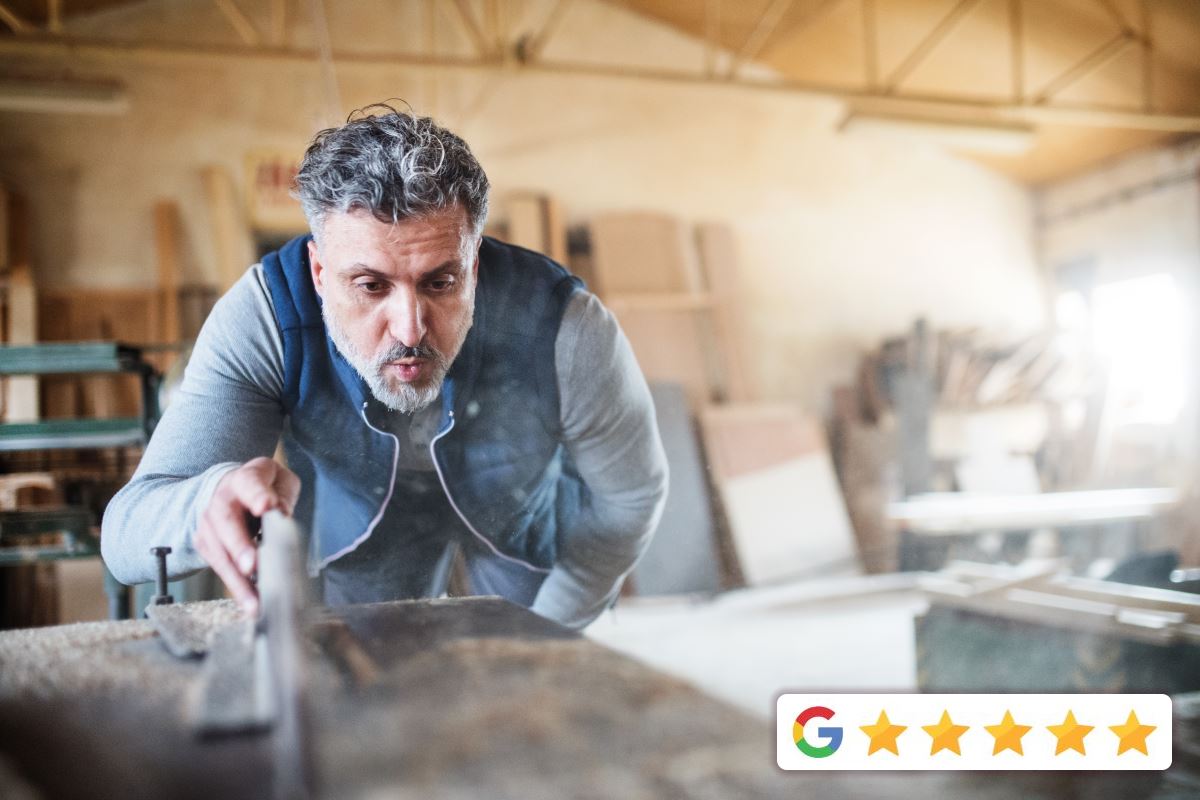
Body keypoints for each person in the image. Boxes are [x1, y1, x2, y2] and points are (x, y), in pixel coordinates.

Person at [101, 105, 668, 629]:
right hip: (359, 527)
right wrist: (205, 500)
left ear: (474, 267)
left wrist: (554, 631)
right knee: (367, 657)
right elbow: (125, 537)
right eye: (371, 286)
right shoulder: (266, 317)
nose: (410, 329)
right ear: (319, 273)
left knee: (523, 666)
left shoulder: (566, 326)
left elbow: (631, 497)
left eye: (439, 282)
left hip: (518, 521)